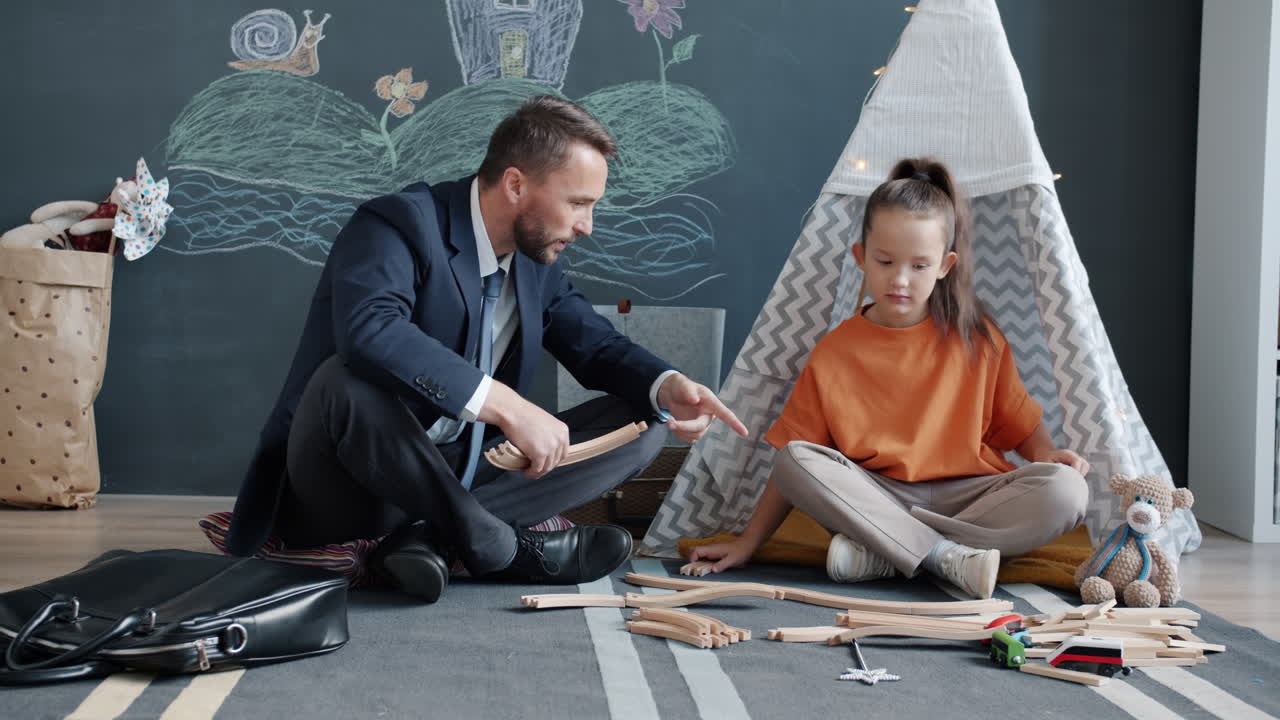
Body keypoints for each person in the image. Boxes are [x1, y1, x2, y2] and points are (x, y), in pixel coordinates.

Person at [224, 95, 748, 602]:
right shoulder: (397, 224)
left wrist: (669, 385)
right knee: (344, 379)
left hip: (462, 468)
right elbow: (370, 332)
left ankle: (430, 537)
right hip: (356, 479)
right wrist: (508, 404)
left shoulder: (536, 262)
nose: (587, 226)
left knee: (643, 421)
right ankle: (498, 546)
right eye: (578, 203)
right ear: (516, 184)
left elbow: (597, 345)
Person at [688, 158, 1089, 599]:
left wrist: (1050, 454)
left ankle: (890, 552)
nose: (900, 279)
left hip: (970, 500)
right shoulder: (835, 351)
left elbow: (1022, 425)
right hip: (880, 499)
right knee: (794, 461)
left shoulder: (978, 339)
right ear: (862, 257)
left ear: (945, 265)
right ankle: (940, 557)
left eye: (919, 266)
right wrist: (749, 544)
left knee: (1066, 490)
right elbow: (794, 460)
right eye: (885, 261)